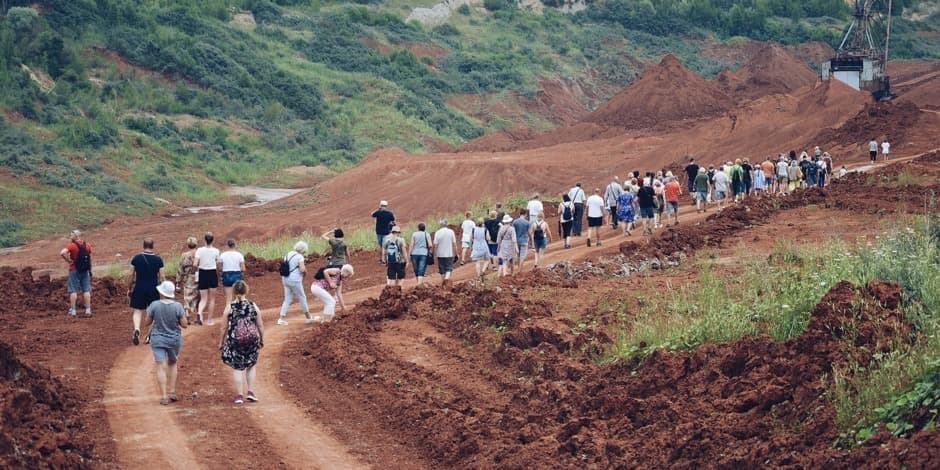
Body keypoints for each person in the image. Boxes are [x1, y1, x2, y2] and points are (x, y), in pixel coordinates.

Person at [143, 281, 188, 405]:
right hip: (174, 339)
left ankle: (163, 396)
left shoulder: (154, 305)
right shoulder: (178, 306)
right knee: (172, 364)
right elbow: (184, 325)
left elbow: (146, 322)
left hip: (158, 339)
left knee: (160, 366)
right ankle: (172, 391)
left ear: (161, 292)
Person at [219, 280, 263, 405]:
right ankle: (251, 392)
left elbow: (223, 327)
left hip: (235, 340)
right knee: (251, 365)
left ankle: (239, 395)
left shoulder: (229, 307)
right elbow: (260, 325)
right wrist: (262, 339)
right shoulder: (253, 305)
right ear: (246, 290)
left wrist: (221, 343)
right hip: (252, 339)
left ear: (233, 291)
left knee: (237, 367)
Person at [128, 238, 165, 346]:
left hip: (139, 287)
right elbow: (162, 277)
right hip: (153, 288)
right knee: (152, 312)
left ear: (143, 246)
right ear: (153, 246)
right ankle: (149, 335)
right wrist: (163, 291)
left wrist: (129, 288)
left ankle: (137, 329)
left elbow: (131, 275)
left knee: (137, 311)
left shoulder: (136, 258)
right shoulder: (158, 260)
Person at [277, 241, 311, 326]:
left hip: (285, 278)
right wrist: (305, 273)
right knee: (302, 297)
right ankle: (308, 318)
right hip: (295, 280)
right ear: (303, 250)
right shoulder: (300, 257)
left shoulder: (288, 254)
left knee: (287, 299)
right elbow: (302, 269)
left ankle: (281, 319)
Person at [60, 230, 93, 316]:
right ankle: (88, 310)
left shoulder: (72, 245)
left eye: (71, 235)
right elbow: (89, 257)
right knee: (86, 290)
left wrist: (68, 260)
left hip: (74, 269)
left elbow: (62, 252)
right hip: (85, 270)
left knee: (73, 290)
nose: (70, 237)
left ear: (76, 236)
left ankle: (73, 310)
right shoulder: (87, 245)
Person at [194, 232, 220, 326]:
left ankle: (199, 314)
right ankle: (209, 320)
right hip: (212, 273)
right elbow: (218, 261)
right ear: (213, 240)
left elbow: (195, 264)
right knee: (212, 299)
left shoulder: (199, 250)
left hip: (203, 273)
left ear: (204, 240)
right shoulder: (216, 251)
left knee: (203, 298)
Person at [177, 237, 200, 324]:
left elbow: (180, 269)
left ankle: (187, 314)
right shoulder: (199, 253)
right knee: (199, 297)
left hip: (188, 278)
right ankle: (198, 315)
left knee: (187, 297)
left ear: (188, 245)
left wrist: (178, 281)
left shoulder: (184, 255)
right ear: (196, 244)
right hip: (199, 277)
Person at [220, 239, 246, 308]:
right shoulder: (239, 255)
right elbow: (243, 269)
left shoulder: (223, 255)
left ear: (228, 246)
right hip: (237, 275)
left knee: (228, 299)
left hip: (226, 275)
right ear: (235, 245)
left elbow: (220, 267)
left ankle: (228, 315)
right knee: (239, 297)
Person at [433, 219, 458, 287]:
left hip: (440, 254)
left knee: (442, 270)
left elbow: (435, 245)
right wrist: (456, 253)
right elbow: (454, 244)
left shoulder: (437, 232)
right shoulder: (451, 232)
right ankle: (446, 280)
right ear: (446, 224)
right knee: (449, 268)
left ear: (440, 225)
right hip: (449, 253)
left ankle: (443, 283)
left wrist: (435, 253)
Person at [469, 218, 490, 284]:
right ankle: (483, 271)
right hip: (484, 246)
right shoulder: (485, 230)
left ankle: (478, 276)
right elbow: (488, 238)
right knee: (487, 260)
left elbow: (470, 239)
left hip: (476, 246)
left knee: (477, 262)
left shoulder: (473, 229)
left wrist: (470, 247)